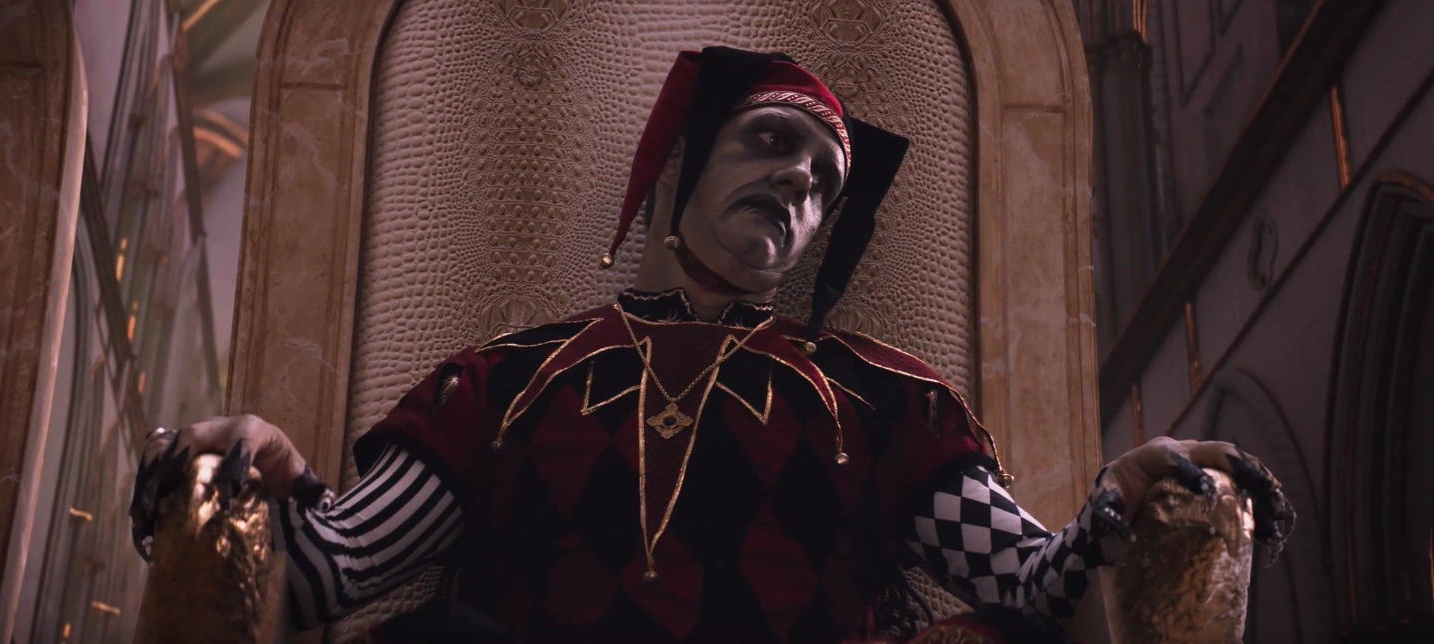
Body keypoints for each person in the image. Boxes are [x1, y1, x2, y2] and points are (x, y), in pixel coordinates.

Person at [129, 47, 1292, 643]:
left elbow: (1033, 581)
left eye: (824, 179)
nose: (799, 181)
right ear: (681, 161)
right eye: (772, 142)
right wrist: (246, 473)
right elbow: (331, 565)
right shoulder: (505, 377)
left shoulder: (889, 395)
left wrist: (1121, 500)